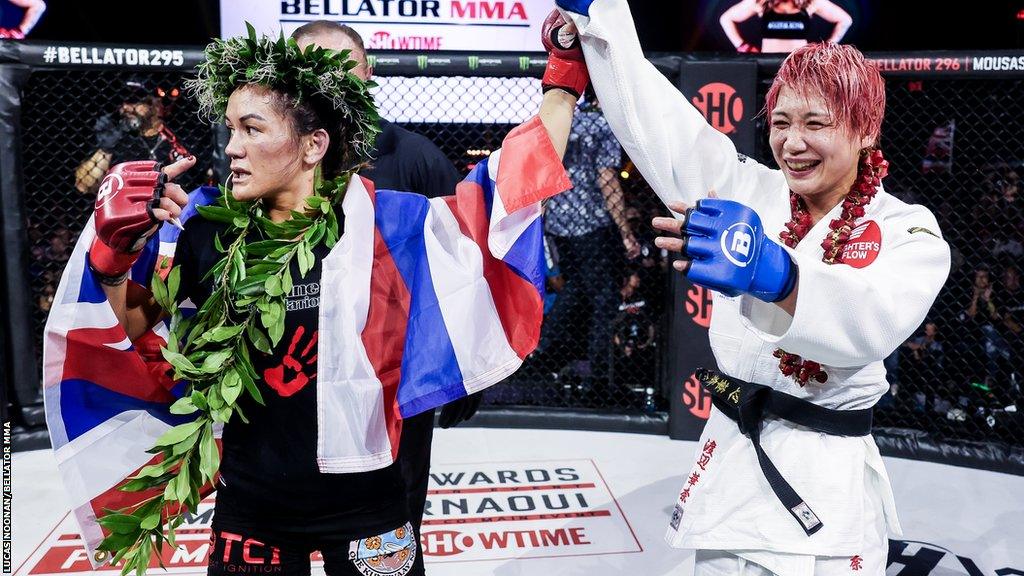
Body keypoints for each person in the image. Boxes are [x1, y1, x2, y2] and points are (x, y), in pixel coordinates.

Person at [43, 11, 586, 576]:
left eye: (252, 129)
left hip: (369, 504)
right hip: (250, 509)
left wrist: (564, 74)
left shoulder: (387, 225)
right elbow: (148, 338)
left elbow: (513, 184)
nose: (232, 146)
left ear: (312, 145)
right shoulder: (207, 227)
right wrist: (109, 264)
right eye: (231, 128)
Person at [559, 0, 951, 574]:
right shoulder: (753, 192)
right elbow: (664, 129)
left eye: (816, 124)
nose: (793, 142)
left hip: (827, 484)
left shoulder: (908, 229)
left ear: (866, 130)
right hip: (734, 466)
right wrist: (598, 20)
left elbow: (872, 321)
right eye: (782, 123)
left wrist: (774, 272)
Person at [289, 20, 481, 546]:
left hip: (394, 381)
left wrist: (464, 370)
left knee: (388, 534)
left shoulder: (417, 158)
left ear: (367, 73)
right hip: (292, 376)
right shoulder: (269, 161)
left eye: (342, 67)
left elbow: (462, 266)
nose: (329, 82)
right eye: (313, 69)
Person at [530, 88, 638, 385]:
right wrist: (625, 232)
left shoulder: (565, 120)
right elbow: (607, 179)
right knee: (604, 299)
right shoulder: (605, 124)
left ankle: (540, 346)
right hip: (591, 224)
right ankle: (601, 374)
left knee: (576, 286)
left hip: (559, 223)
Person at [74, 76, 192, 195]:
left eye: (133, 100)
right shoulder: (115, 137)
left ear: (155, 104)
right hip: (124, 209)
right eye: (122, 101)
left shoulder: (178, 137)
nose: (125, 107)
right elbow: (84, 186)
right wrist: (106, 149)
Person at [719, 0, 852, 54]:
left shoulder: (810, 2)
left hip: (799, 65)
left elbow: (845, 20)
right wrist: (742, 46)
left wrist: (828, 47)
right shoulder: (761, 2)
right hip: (767, 63)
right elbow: (726, 18)